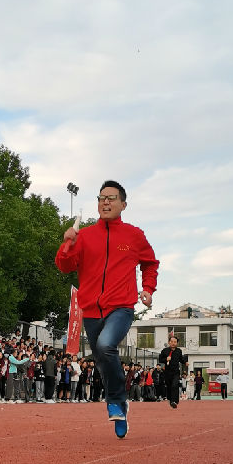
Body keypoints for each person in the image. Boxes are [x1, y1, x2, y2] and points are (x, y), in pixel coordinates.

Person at [55, 180, 159, 438]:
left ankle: (116, 400)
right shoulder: (86, 236)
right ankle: (121, 406)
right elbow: (65, 266)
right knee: (102, 360)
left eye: (111, 198)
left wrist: (147, 288)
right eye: (101, 198)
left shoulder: (134, 235)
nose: (106, 202)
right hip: (90, 309)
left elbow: (150, 263)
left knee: (104, 346)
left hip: (121, 307)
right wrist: (67, 243)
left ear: (123, 204)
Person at [158, 336, 186, 409]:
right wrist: (166, 359)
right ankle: (171, 401)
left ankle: (175, 401)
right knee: (169, 387)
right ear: (169, 342)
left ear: (177, 343)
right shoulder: (165, 351)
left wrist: (185, 362)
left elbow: (181, 359)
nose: (173, 343)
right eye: (172, 342)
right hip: (167, 372)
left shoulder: (179, 351)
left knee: (175, 385)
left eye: (175, 342)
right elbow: (160, 359)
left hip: (176, 372)